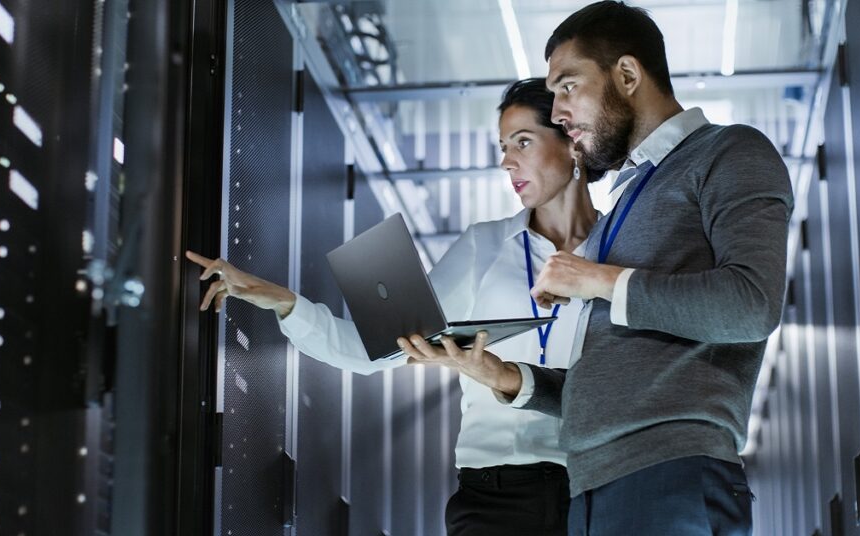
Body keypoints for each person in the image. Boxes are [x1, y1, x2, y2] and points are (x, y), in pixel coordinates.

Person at [408, 2, 794, 535]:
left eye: (568, 86)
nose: (559, 111)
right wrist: (507, 378)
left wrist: (595, 278)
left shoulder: (728, 151)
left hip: (671, 472)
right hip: (593, 485)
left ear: (628, 75)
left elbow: (750, 305)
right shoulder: (626, 201)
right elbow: (607, 382)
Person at [186, 77, 600, 536]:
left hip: (595, 490)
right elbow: (377, 349)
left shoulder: (619, 254)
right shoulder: (485, 245)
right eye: (503, 146)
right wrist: (286, 303)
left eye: (523, 141)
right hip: (493, 495)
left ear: (572, 141)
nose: (507, 161)